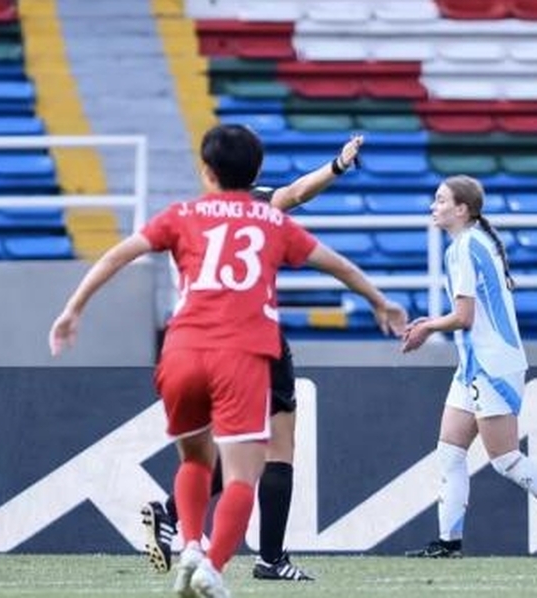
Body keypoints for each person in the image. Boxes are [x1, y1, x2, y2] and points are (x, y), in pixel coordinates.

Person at [49, 124, 406, 598]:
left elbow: (118, 255)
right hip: (245, 349)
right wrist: (381, 302)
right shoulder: (270, 218)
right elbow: (334, 260)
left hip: (181, 349)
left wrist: (74, 309)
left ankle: (190, 543)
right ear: (256, 171)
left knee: (195, 458)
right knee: (248, 469)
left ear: (206, 170)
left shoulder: (182, 214)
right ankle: (217, 566)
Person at [142, 135, 365, 581]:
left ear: (208, 171)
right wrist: (338, 166)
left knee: (232, 453)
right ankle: (270, 559)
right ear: (255, 172)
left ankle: (174, 516)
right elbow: (298, 194)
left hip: (196, 342)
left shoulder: (192, 217)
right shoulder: (258, 209)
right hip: (255, 337)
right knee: (274, 449)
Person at [403, 175, 536, 558]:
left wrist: (427, 326)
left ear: (462, 209)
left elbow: (463, 316)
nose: (434, 206)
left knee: (506, 460)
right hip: (475, 364)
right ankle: (449, 543)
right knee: (449, 452)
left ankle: (449, 542)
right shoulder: (473, 241)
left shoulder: (464, 247)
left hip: (491, 364)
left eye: (441, 200)